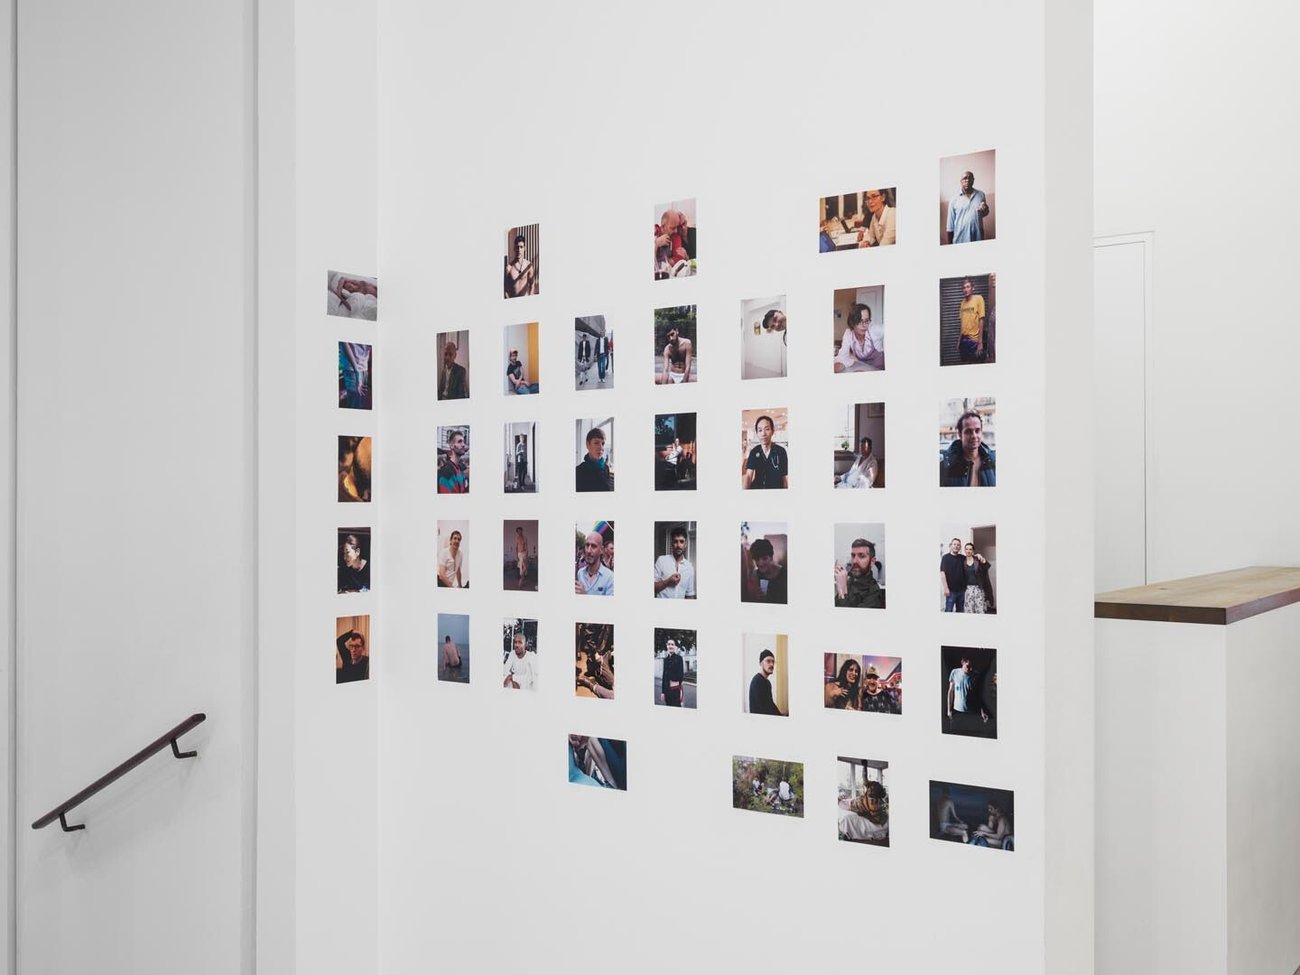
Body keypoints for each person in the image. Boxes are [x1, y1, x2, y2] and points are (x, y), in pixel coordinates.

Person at [940, 410, 996, 486]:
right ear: (960, 434)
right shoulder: (946, 465)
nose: (974, 436)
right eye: (968, 431)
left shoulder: (992, 460)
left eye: (977, 430)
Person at [834, 538, 886, 608]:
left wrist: (842, 593)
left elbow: (845, 614)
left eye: (861, 556)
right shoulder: (851, 580)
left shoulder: (874, 594)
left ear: (872, 561)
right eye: (853, 556)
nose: (854, 561)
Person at [834, 303, 884, 372]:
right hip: (863, 369)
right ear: (852, 322)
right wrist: (838, 365)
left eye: (866, 321)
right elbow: (843, 355)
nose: (864, 325)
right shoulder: (848, 333)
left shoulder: (874, 329)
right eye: (860, 321)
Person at [744, 415, 788, 489]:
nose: (763, 434)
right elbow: (748, 475)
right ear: (757, 433)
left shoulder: (781, 451)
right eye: (760, 430)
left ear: (772, 431)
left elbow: (784, 477)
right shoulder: (754, 452)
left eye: (767, 429)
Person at [946, 170, 989, 244]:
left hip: (977, 238)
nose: (968, 180)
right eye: (965, 178)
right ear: (961, 181)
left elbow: (984, 214)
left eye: (970, 178)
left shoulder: (981, 195)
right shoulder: (954, 199)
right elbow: (950, 225)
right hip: (960, 240)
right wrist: (949, 245)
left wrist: (985, 210)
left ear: (973, 180)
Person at [947, 656, 990, 731]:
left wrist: (982, 711)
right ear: (962, 663)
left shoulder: (976, 676)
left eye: (972, 666)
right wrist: (949, 709)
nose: (970, 669)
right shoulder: (955, 672)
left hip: (972, 712)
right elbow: (950, 691)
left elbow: (979, 695)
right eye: (968, 666)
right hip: (957, 711)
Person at [653, 525, 696, 599]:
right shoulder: (661, 560)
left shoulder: (689, 567)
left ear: (685, 545)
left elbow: (690, 595)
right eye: (675, 541)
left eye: (681, 542)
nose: (678, 545)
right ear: (672, 544)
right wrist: (668, 581)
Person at [742, 537, 787, 604]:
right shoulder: (755, 575)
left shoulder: (785, 574)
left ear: (771, 558)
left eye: (764, 558)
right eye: (757, 559)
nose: (760, 563)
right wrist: (756, 597)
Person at [654, 209, 693, 278]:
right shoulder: (655, 231)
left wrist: (660, 261)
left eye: (677, 227)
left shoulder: (676, 236)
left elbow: (679, 258)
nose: (676, 231)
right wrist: (656, 244)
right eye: (672, 228)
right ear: (663, 226)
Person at [574, 531, 614, 595]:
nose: (588, 551)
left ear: (601, 550)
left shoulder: (610, 577)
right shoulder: (580, 573)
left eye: (593, 546)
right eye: (587, 545)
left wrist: (584, 596)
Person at [957, 278, 987, 363]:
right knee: (965, 364)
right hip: (963, 340)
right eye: (964, 287)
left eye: (968, 287)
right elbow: (962, 323)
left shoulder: (978, 299)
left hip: (974, 341)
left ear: (973, 288)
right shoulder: (962, 303)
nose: (965, 289)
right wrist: (959, 341)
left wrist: (980, 342)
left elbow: (981, 319)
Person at [748, 649, 784, 716]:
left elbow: (771, 704)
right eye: (768, 661)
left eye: (773, 662)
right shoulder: (757, 681)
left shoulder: (767, 682)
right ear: (761, 664)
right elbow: (764, 710)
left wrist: (781, 716)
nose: (772, 664)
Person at [961, 543, 994, 614]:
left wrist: (981, 557)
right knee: (969, 610)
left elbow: (987, 566)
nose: (968, 551)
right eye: (966, 549)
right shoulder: (962, 561)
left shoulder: (977, 560)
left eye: (970, 549)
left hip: (978, 588)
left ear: (973, 551)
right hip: (968, 589)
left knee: (980, 609)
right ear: (964, 550)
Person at [339, 342, 371, 409]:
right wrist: (357, 371)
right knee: (354, 405)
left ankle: (345, 393)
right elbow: (345, 344)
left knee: (360, 402)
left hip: (364, 366)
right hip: (352, 368)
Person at [437, 429, 469, 494]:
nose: (463, 444)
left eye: (463, 442)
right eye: (459, 442)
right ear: (451, 446)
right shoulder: (446, 472)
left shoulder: (460, 468)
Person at [940, 537, 968, 612]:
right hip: (951, 591)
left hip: (962, 591)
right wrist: (946, 588)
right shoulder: (945, 558)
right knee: (948, 611)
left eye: (958, 545)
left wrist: (978, 555)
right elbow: (942, 573)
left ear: (960, 547)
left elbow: (972, 559)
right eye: (954, 544)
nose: (956, 546)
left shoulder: (963, 558)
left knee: (960, 611)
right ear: (951, 545)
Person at [659, 637, 685, 706]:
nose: (670, 646)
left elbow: (680, 676)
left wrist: (671, 678)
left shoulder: (679, 658)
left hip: (675, 691)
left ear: (675, 647)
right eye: (669, 644)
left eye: (672, 644)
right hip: (667, 691)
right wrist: (663, 692)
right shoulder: (665, 660)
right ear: (667, 646)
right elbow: (664, 677)